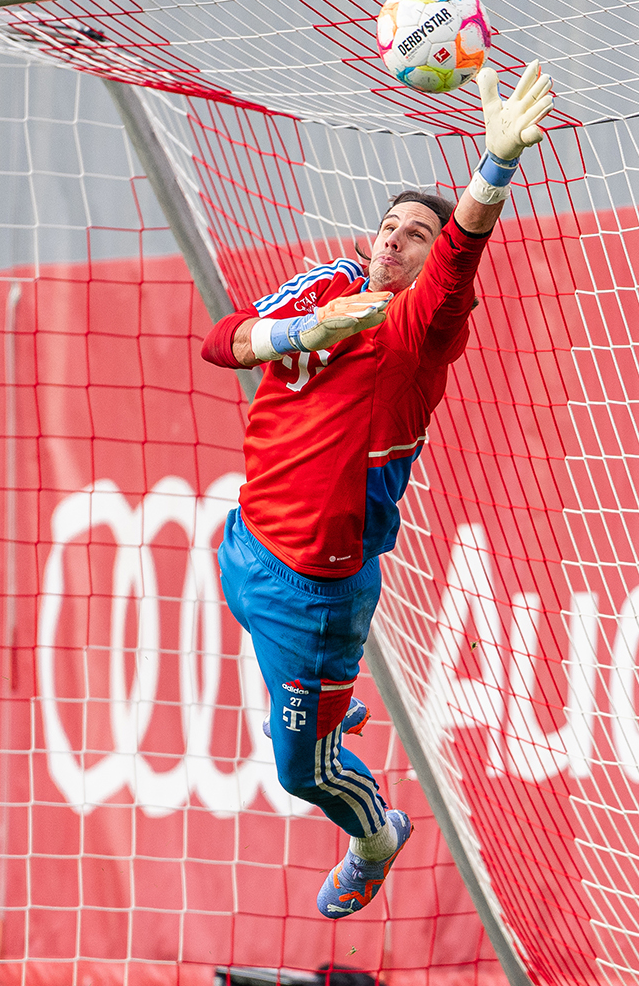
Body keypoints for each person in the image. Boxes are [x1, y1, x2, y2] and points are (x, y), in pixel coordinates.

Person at [199, 62, 554, 918]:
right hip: (246, 539)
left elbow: (462, 257)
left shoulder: (419, 333)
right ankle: (331, 694)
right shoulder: (328, 286)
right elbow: (220, 341)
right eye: (387, 227)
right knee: (237, 599)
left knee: (300, 771)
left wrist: (493, 169)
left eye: (415, 235)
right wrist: (301, 330)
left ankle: (374, 837)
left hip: (315, 589)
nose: (394, 240)